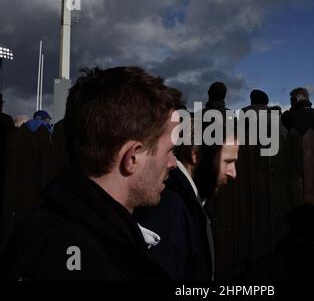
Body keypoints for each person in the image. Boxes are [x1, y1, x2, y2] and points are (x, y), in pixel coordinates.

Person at [0, 66, 178, 280]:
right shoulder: (88, 263)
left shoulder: (57, 231)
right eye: (169, 151)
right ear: (133, 157)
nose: (173, 163)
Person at [135, 117, 239, 281]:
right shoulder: (167, 209)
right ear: (196, 155)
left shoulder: (191, 203)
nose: (234, 173)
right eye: (227, 162)